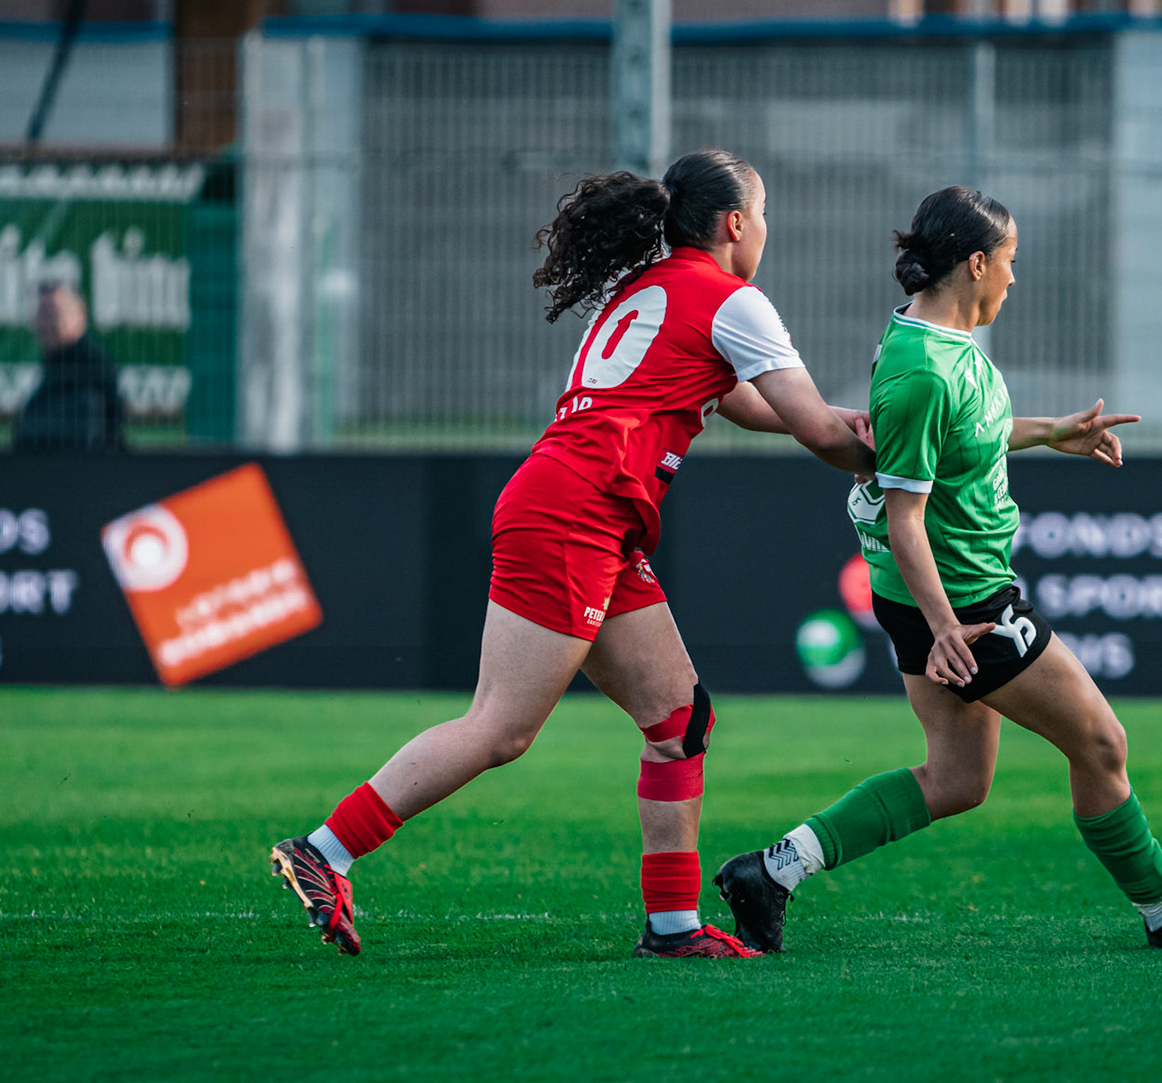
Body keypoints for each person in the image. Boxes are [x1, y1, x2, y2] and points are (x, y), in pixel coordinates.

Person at [270, 149, 875, 959]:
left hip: (587, 515)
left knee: (678, 721)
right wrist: (915, 448)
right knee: (501, 729)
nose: (766, 229)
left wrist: (856, 424)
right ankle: (326, 849)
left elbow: (754, 405)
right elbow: (817, 432)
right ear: (735, 223)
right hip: (573, 515)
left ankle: (672, 930)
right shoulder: (734, 300)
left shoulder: (646, 290)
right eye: (763, 214)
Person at [715, 186, 1162, 954]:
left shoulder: (938, 346)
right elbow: (905, 516)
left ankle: (772, 871)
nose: (1015, 277)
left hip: (939, 599)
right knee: (1102, 744)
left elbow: (968, 435)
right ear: (975, 264)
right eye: (1009, 262)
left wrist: (1054, 431)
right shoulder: (921, 372)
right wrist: (946, 628)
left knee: (957, 781)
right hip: (967, 602)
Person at [12, 281, 124, 453]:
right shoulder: (52, 363)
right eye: (41, 314)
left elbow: (91, 430)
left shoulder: (91, 363)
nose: (46, 323)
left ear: (80, 313)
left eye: (53, 313)